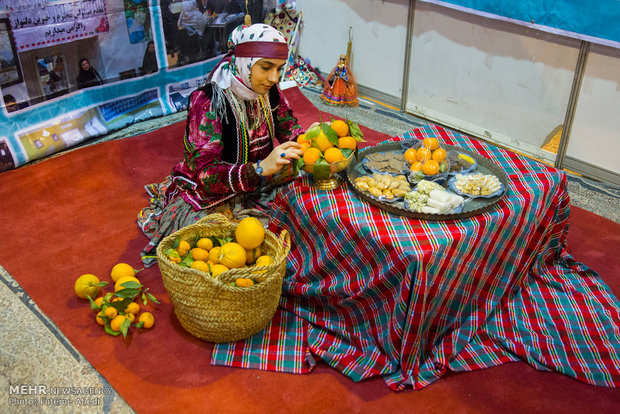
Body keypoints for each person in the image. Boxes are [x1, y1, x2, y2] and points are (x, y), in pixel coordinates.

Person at [137, 23, 304, 266]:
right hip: (215, 192)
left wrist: (307, 143)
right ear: (243, 62)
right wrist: (257, 169)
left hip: (260, 181)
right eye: (266, 67)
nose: (273, 78)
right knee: (222, 247)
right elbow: (205, 174)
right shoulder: (207, 101)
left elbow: (290, 128)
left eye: (279, 69)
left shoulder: (269, 91)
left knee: (307, 198)